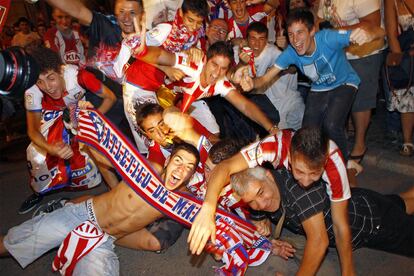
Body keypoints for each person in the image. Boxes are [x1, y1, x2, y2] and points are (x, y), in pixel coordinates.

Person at [0, 143, 199, 275]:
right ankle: (61, 207)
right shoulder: (150, 169)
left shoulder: (181, 200)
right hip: (82, 215)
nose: (181, 170)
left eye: (188, 167)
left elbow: (208, 217)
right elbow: (111, 161)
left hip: (104, 240)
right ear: (168, 161)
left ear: (190, 175)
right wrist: (87, 140)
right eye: (178, 161)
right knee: (12, 243)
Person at [188, 127, 356, 275]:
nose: (305, 182)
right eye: (299, 172)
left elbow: (340, 226)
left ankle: (353, 172)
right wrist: (208, 209)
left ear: (324, 162)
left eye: (314, 174)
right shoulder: (273, 146)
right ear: (289, 157)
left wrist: (348, 272)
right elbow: (225, 167)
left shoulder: (334, 162)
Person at [240, 8, 384, 165]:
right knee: (307, 130)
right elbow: (264, 79)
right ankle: (311, 164)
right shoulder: (290, 52)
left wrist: (370, 34)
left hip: (344, 82)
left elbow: (380, 31)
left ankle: (343, 164)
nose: (295, 40)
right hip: (319, 87)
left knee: (331, 124)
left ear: (312, 31)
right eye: (291, 34)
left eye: (300, 32)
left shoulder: (328, 38)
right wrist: (251, 83)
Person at [230, 165, 414, 274]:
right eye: (251, 202)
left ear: (269, 176)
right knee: (403, 202)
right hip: (358, 199)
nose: (260, 204)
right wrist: (258, 216)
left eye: (260, 193)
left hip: (369, 222)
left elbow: (319, 242)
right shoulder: (269, 187)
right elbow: (256, 206)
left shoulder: (298, 193)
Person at [19, 47, 116, 214]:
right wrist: (50, 148)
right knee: (35, 154)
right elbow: (33, 130)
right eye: (40, 82)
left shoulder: (79, 76)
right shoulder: (32, 90)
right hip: (50, 115)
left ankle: (116, 194)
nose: (47, 87)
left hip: (75, 111)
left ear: (60, 70)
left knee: (95, 149)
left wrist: (89, 120)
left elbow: (110, 97)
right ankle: (38, 192)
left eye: (51, 78)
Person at [317, 0, 385, 166]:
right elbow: (320, 19)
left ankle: (360, 145)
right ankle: (340, 140)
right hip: (339, 54)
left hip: (364, 53)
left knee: (360, 102)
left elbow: (372, 24)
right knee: (339, 98)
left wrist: (333, 33)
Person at [236, 21, 304, 130]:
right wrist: (242, 63)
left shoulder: (274, 52)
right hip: (266, 109)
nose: (257, 44)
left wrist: (280, 69)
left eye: (261, 39)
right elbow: (234, 83)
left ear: (267, 41)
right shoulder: (240, 53)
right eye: (253, 39)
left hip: (288, 101)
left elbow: (293, 67)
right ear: (246, 40)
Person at [384, 0, 414, 156]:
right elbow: (391, 34)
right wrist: (401, 62)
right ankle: (408, 140)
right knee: (407, 94)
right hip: (408, 53)